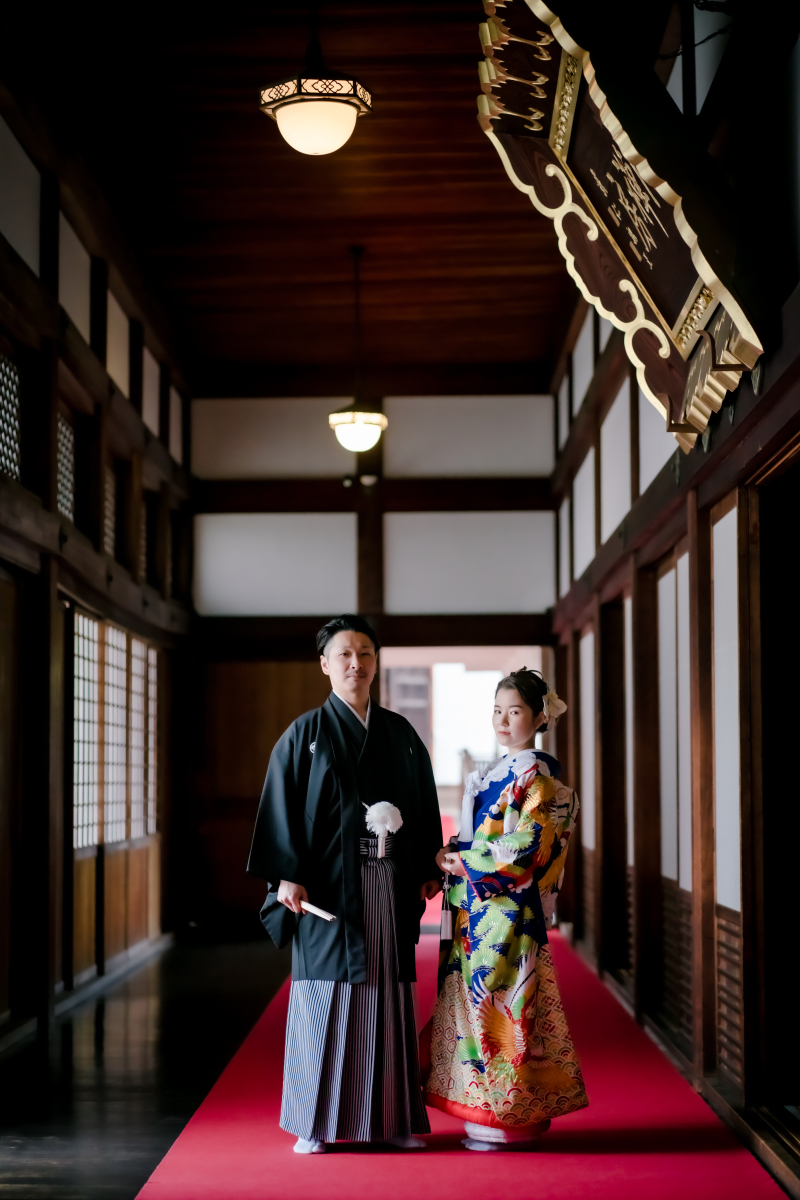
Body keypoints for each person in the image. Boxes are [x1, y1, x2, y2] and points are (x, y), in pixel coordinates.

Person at [247, 614, 442, 1154]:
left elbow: (423, 803)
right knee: (324, 1001)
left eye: (366, 654)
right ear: (325, 664)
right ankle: (315, 1124)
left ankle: (396, 1119)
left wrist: (428, 865)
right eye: (345, 654)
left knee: (388, 1002)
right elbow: (282, 808)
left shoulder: (400, 735)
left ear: (376, 663)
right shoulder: (304, 735)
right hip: (328, 893)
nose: (357, 664)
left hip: (387, 885)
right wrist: (286, 875)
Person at [424, 667, 588, 1150]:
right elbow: (483, 838)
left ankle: (509, 1117)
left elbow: (528, 847)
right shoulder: (497, 772)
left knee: (505, 1008)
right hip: (478, 908)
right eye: (497, 710)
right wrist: (451, 853)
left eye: (514, 711)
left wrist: (465, 860)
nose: (502, 719)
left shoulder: (535, 775)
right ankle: (485, 1109)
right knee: (476, 1009)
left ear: (538, 718)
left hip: (509, 913)